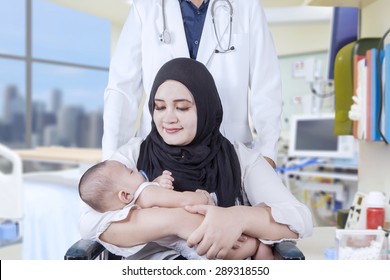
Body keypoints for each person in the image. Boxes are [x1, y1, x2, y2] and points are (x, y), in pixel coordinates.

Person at [80, 58, 312, 260]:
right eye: (159, 107)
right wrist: (177, 221)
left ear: (206, 108)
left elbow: (300, 218)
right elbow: (89, 221)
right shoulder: (134, 153)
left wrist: (238, 218)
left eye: (182, 108)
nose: (168, 118)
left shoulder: (241, 159)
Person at [102, 0, 282, 168]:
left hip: (228, 151)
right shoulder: (145, 7)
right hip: (158, 152)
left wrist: (267, 150)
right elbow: (122, 89)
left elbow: (266, 85)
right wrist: (112, 158)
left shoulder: (246, 6)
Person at [78, 160, 273, 260]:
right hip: (203, 240)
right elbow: (181, 200)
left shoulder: (129, 209)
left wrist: (156, 183)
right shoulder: (146, 193)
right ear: (125, 196)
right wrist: (202, 197)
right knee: (252, 245)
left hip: (190, 248)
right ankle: (262, 250)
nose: (136, 170)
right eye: (130, 171)